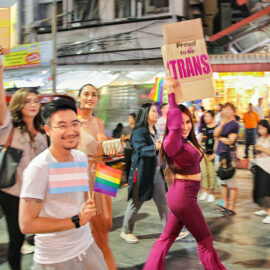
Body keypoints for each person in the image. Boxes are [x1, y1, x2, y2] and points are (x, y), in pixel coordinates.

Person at [143, 77, 226, 270]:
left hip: (181, 196)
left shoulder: (187, 141)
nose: (186, 126)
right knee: (205, 240)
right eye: (181, 123)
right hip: (184, 198)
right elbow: (173, 126)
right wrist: (171, 96)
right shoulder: (173, 142)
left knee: (167, 238)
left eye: (188, 121)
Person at [19, 98, 108, 270]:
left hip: (87, 247)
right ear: (48, 130)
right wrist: (76, 220)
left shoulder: (80, 158)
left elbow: (79, 198)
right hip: (55, 259)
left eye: (74, 124)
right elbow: (27, 224)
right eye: (62, 125)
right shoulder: (38, 168)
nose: (71, 131)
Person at [0, 59, 47, 270]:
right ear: (19, 104)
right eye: (28, 100)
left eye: (36, 100)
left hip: (36, 194)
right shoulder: (10, 126)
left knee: (41, 236)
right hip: (13, 192)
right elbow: (1, 104)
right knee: (16, 238)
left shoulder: (43, 133)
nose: (34, 103)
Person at [77, 84, 116, 270]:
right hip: (83, 177)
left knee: (107, 225)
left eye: (94, 94)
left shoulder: (99, 122)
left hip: (105, 172)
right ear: (79, 98)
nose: (90, 97)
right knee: (91, 230)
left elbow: (106, 152)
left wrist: (110, 143)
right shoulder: (73, 122)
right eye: (86, 94)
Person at [120, 103, 169, 244]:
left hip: (155, 171)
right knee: (136, 202)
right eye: (153, 111)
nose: (156, 113)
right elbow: (139, 150)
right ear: (145, 113)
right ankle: (126, 230)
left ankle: (169, 231)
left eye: (156, 111)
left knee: (163, 202)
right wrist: (154, 147)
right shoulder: (139, 132)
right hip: (142, 172)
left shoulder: (153, 130)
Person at [214, 103, 239, 215]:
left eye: (229, 110)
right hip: (219, 154)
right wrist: (220, 127)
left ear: (233, 112)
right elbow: (215, 134)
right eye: (224, 109)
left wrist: (219, 138)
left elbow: (231, 140)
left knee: (232, 183)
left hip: (229, 156)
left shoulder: (235, 124)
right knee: (222, 182)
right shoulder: (221, 122)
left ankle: (232, 207)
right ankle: (225, 204)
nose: (226, 111)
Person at [252, 120, 270, 224]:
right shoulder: (259, 138)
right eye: (259, 128)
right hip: (259, 166)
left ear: (267, 128)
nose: (260, 130)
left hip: (268, 168)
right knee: (259, 190)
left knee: (266, 191)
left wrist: (262, 149)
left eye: (262, 128)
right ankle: (264, 209)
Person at [199, 110, 218, 203]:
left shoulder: (216, 128)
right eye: (205, 116)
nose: (205, 118)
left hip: (212, 152)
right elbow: (200, 139)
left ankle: (211, 193)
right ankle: (205, 191)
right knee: (203, 172)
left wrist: (215, 153)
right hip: (203, 151)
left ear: (212, 117)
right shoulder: (203, 127)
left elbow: (217, 141)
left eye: (207, 116)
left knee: (212, 173)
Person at [121, 113, 136, 182]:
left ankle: (136, 179)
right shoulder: (125, 128)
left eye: (130, 118)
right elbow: (122, 138)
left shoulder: (137, 128)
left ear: (134, 119)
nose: (129, 119)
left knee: (136, 165)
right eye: (129, 118)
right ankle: (128, 180)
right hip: (127, 149)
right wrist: (128, 137)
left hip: (136, 149)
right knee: (128, 164)